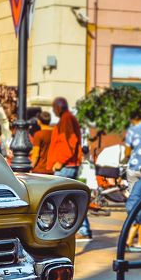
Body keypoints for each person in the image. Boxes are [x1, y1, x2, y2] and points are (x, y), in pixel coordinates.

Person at [48, 98, 92, 240]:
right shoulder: (66, 118)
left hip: (66, 166)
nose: (53, 111)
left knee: (64, 199)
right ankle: (81, 229)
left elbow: (70, 142)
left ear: (59, 107)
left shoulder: (67, 119)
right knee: (68, 199)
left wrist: (60, 161)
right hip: (66, 165)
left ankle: (82, 229)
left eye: (54, 108)